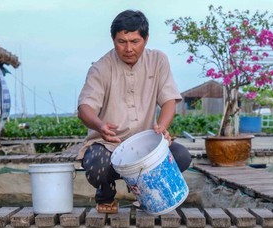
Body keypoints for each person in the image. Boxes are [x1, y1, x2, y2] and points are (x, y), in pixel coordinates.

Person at [77, 9, 191, 214]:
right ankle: (105, 191)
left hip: (147, 146)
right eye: (122, 41)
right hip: (108, 145)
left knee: (181, 156)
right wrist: (100, 125)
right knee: (96, 165)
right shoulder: (100, 68)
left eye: (135, 41)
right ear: (113, 40)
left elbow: (169, 100)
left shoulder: (158, 60)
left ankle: (144, 193)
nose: (128, 48)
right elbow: (84, 108)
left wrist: (163, 128)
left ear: (146, 39)